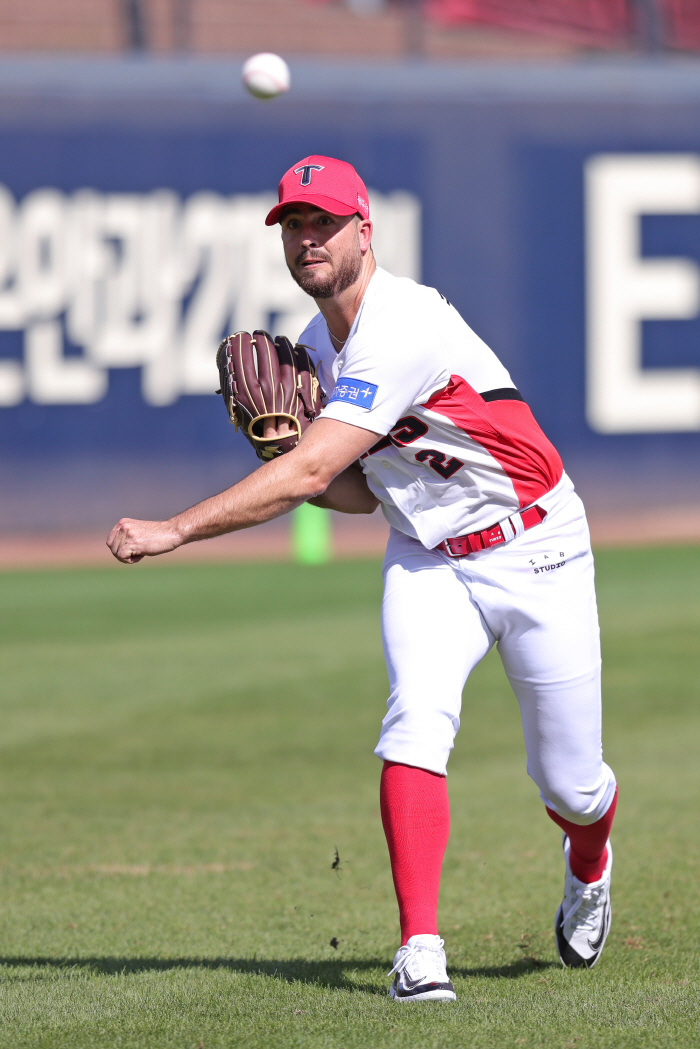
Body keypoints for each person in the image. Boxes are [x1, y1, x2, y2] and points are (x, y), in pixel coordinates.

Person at [108, 155, 618, 1002]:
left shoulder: (402, 322)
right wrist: (282, 442)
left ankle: (591, 860)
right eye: (294, 227)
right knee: (415, 720)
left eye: (323, 223)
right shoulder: (316, 349)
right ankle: (420, 947)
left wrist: (180, 527)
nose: (308, 240)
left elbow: (313, 478)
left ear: (363, 231)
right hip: (428, 556)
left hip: (538, 546)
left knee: (571, 781)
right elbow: (354, 492)